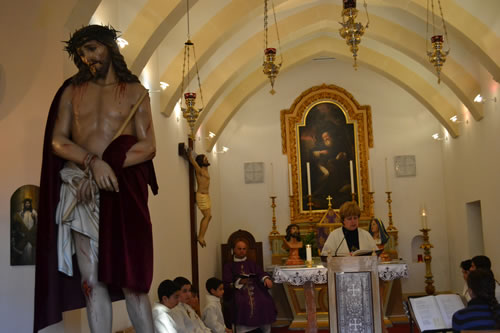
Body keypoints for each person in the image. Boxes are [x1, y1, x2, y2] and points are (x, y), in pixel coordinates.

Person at [34, 25, 158, 333]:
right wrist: (91, 162)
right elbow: (58, 141)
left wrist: (109, 165)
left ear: (109, 47)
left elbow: (149, 146)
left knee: (133, 282)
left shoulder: (134, 92)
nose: (87, 58)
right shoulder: (71, 92)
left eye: (92, 49)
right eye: (81, 53)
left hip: (121, 190)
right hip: (81, 188)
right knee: (90, 280)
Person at [223, 239, 277, 333]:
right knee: (242, 302)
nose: (242, 251)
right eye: (239, 248)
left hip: (256, 288)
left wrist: (266, 279)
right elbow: (227, 281)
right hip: (238, 291)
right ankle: (243, 330)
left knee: (265, 300)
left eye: (244, 249)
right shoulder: (229, 265)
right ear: (234, 250)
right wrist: (239, 281)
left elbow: (261, 273)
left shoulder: (252, 263)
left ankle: (265, 329)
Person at [187, 149, 212, 247]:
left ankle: (201, 236)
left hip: (207, 195)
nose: (207, 160)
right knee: (207, 216)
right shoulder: (199, 170)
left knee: (209, 216)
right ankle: (200, 237)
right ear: (202, 161)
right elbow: (192, 161)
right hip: (201, 196)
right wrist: (190, 154)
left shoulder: (205, 169)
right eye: (205, 159)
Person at [11, 198, 38, 265]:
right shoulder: (21, 213)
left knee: (31, 251)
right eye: (26, 203)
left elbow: (37, 223)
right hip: (24, 234)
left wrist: (35, 218)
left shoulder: (34, 212)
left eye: (28, 203)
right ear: (24, 204)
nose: (27, 204)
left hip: (32, 234)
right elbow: (19, 224)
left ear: (30, 204)